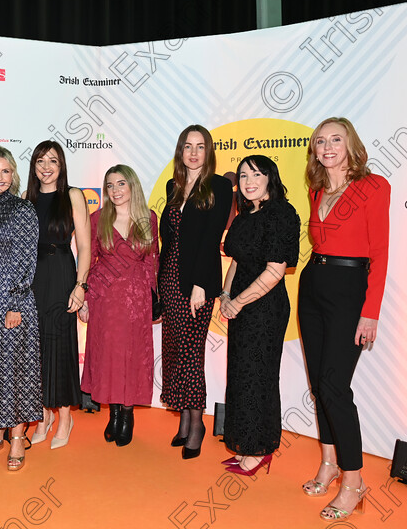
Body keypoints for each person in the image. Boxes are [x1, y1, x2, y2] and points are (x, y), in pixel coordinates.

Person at [298, 117, 389, 521]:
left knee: (335, 385)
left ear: (351, 144)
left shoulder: (373, 187)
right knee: (319, 384)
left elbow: (380, 254)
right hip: (313, 282)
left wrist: (370, 312)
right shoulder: (318, 188)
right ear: (315, 150)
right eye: (321, 141)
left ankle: (354, 481)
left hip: (350, 290)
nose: (328, 146)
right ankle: (329, 462)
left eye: (336, 139)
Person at [219, 155, 300, 476]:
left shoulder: (282, 214)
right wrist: (226, 295)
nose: (249, 181)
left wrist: (239, 302)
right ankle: (245, 444)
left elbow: (276, 270)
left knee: (260, 375)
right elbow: (236, 261)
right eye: (243, 175)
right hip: (239, 302)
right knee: (240, 374)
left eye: (257, 174)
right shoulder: (243, 215)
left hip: (265, 308)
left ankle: (261, 448)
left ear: (270, 177)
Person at [158, 124, 232, 459]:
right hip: (170, 277)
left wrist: (201, 285)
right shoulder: (174, 186)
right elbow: (169, 239)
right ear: (180, 151)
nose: (193, 152)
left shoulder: (218, 186)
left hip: (196, 282)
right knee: (175, 350)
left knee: (191, 353)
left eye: (200, 146)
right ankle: (185, 420)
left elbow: (211, 236)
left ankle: (197, 423)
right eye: (187, 146)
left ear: (209, 152)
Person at [79, 165, 158, 447]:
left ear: (132, 186)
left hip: (137, 298)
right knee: (107, 358)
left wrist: (153, 296)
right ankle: (113, 413)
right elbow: (88, 259)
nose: (115, 190)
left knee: (133, 357)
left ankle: (127, 415)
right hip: (105, 298)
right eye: (110, 185)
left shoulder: (148, 218)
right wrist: (85, 298)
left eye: (121, 184)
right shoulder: (97, 218)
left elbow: (152, 261)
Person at [0, 147, 41, 471]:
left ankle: (17, 436)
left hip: (13, 301)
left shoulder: (23, 209)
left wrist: (15, 303)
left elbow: (27, 258)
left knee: (16, 371)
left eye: (5, 171)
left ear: (13, 175)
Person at [25, 140, 90, 449]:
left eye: (52, 161)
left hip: (64, 273)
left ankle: (65, 417)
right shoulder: (27, 199)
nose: (46, 167)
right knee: (36, 349)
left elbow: (87, 247)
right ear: (33, 167)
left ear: (61, 165)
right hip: (34, 278)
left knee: (61, 347)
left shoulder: (73, 195)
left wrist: (81, 285)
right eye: (40, 161)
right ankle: (41, 416)